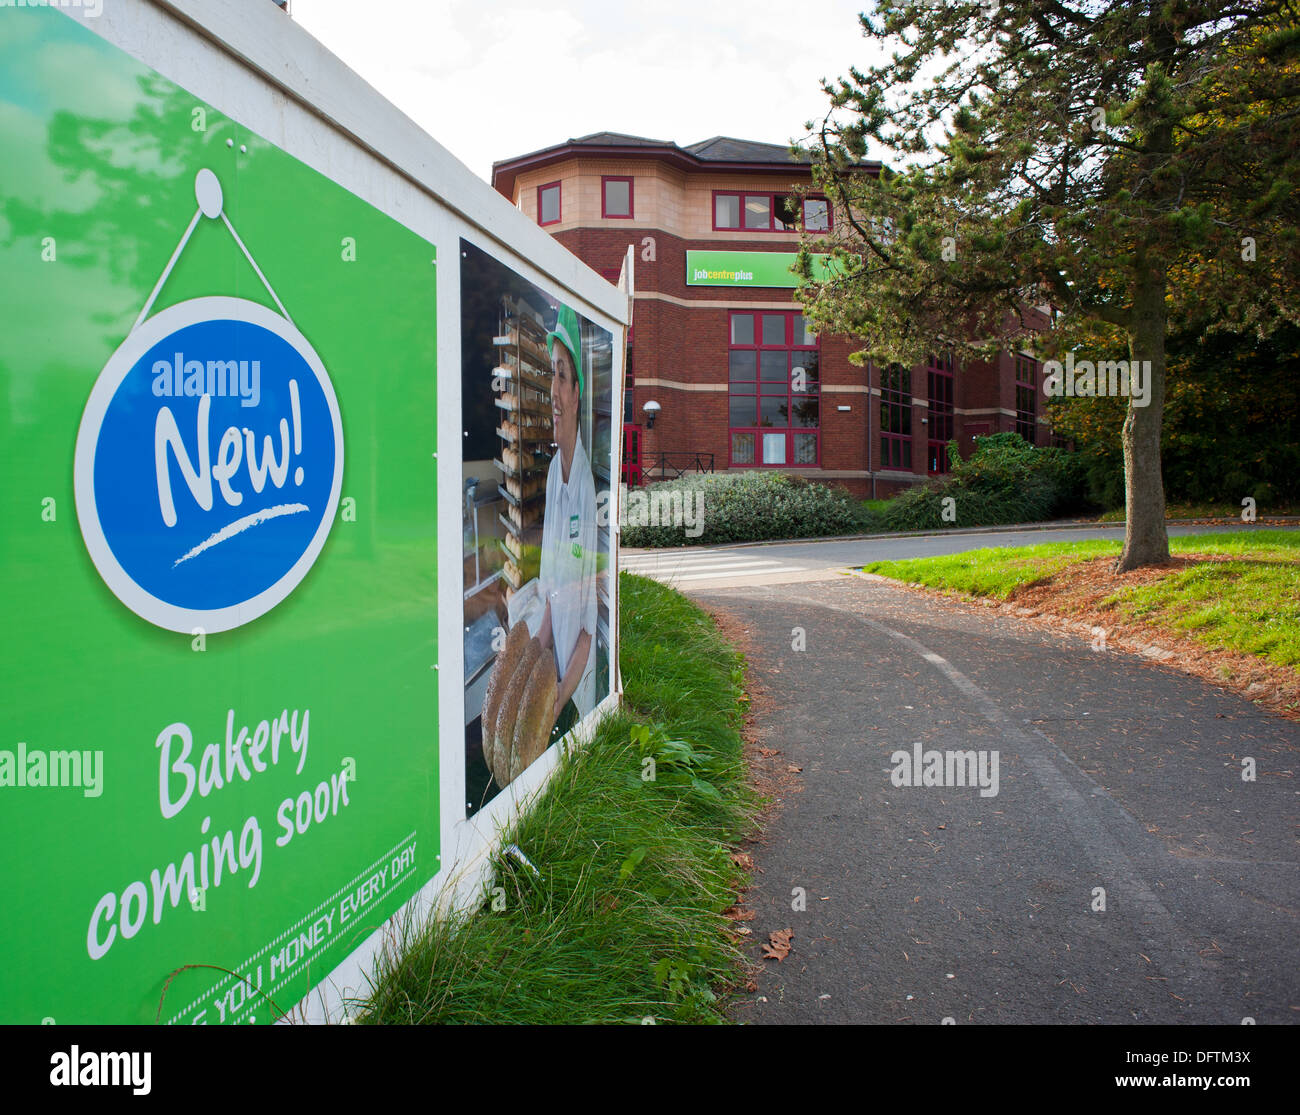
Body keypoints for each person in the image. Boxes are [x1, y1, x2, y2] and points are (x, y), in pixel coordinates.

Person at [536, 304, 597, 738]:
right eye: (550, 373)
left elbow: (588, 633)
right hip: (555, 668)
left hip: (575, 694)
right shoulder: (556, 470)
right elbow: (555, 596)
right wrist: (532, 653)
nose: (553, 392)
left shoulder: (586, 492)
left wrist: (555, 703)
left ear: (577, 393)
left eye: (561, 375)